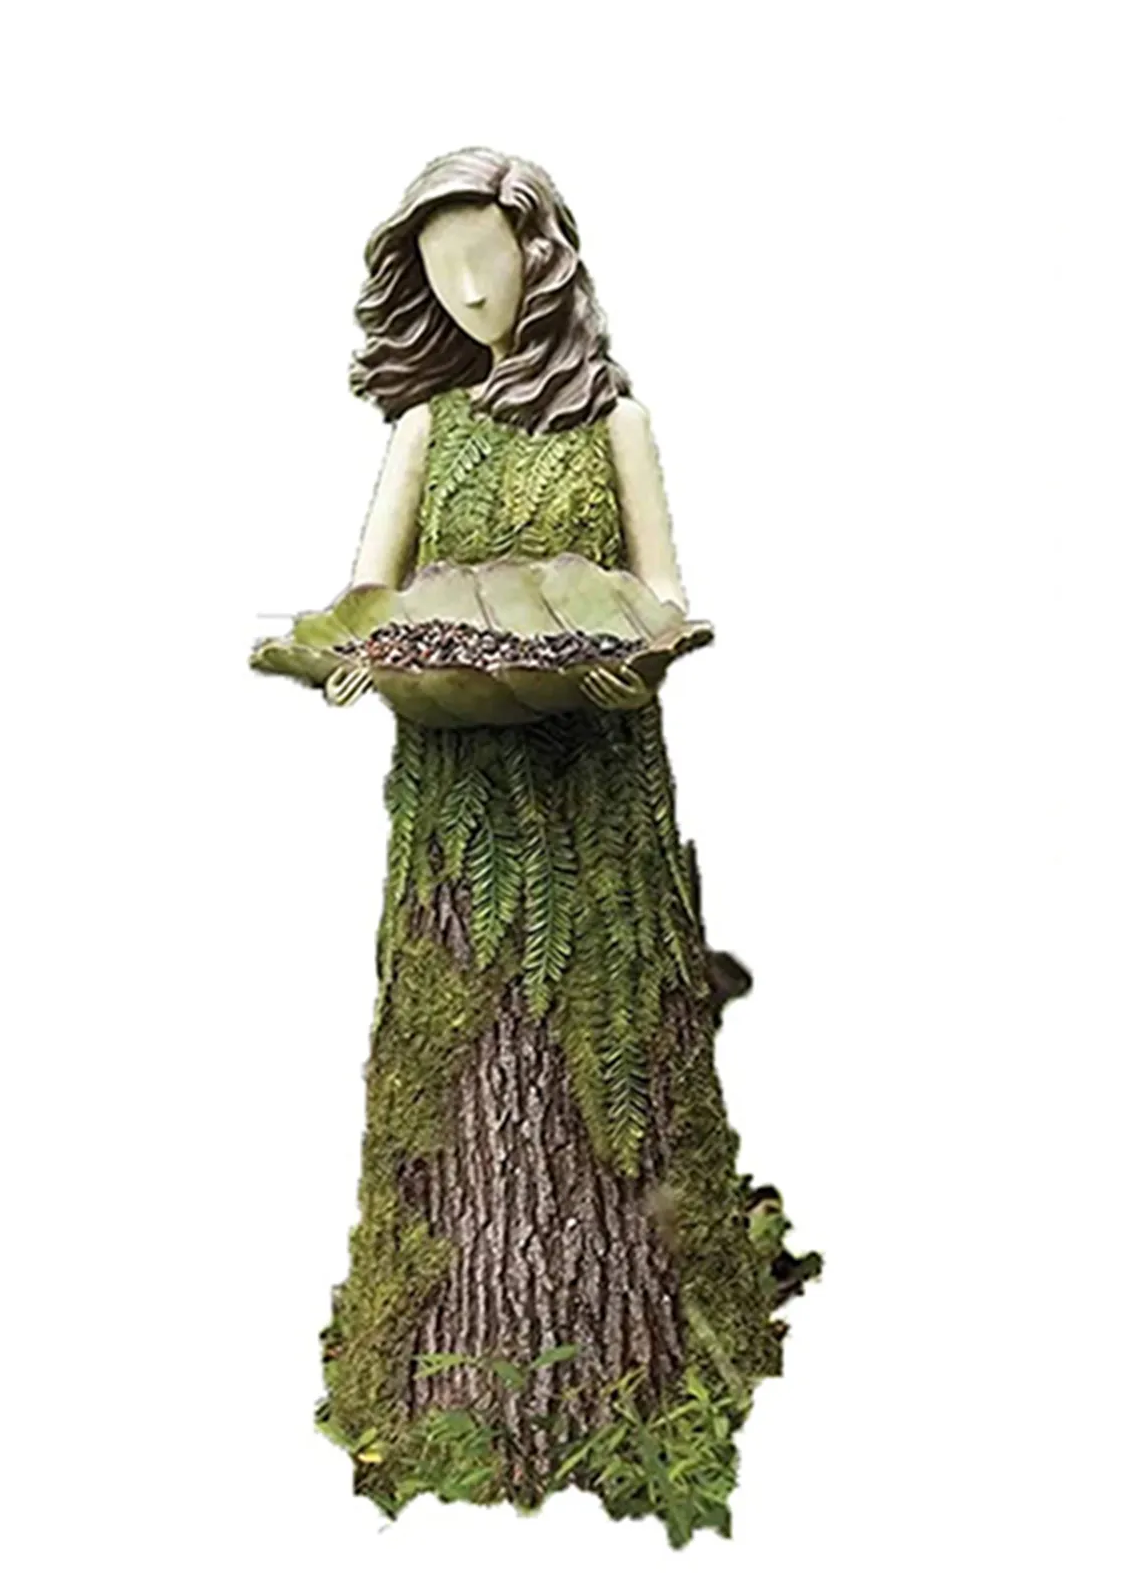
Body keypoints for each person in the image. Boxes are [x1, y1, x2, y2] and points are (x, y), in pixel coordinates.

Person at [311, 145, 819, 1545]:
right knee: (464, 1053)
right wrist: (359, 653)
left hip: (599, 801)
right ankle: (444, 1353)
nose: (469, 292)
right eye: (440, 272)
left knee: (612, 1036)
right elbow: (369, 591)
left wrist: (636, 652)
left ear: (546, 261)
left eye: (489, 259)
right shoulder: (428, 428)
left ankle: (650, 1330)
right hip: (460, 811)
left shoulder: (616, 423)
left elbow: (664, 593)